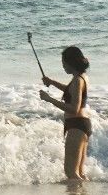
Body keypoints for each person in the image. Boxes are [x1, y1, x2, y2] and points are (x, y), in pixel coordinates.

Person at [39, 45, 93, 183]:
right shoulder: (82, 77)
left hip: (76, 125)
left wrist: (49, 99)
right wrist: (52, 82)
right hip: (82, 125)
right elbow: (71, 91)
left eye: (64, 63)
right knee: (79, 172)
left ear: (71, 62)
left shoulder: (77, 80)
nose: (63, 66)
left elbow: (74, 109)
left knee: (71, 172)